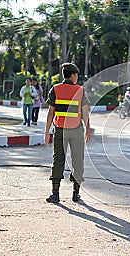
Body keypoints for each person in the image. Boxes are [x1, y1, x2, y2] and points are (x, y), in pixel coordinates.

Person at [44, 63, 91, 203]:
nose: (77, 77)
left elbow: (50, 113)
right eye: (76, 75)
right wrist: (88, 129)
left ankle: (55, 194)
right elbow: (85, 113)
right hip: (76, 130)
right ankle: (76, 194)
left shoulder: (55, 89)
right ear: (72, 75)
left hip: (60, 130)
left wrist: (46, 132)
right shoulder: (80, 90)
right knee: (77, 161)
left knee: (58, 160)